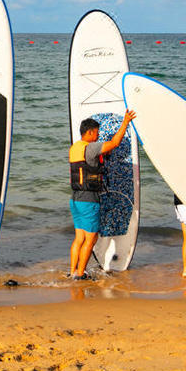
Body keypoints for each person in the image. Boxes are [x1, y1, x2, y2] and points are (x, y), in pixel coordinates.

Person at [69, 111, 136, 280]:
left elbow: (88, 164)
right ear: (90, 132)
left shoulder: (75, 148)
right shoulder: (91, 148)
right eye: (97, 133)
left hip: (75, 199)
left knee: (79, 238)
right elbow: (114, 142)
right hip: (89, 199)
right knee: (90, 239)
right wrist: (125, 122)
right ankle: (80, 274)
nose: (98, 136)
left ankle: (72, 271)